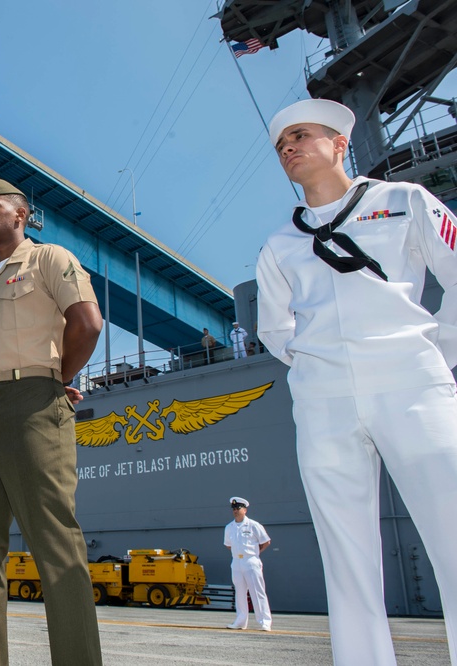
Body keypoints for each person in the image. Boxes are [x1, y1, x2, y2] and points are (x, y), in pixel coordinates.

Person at [257, 97, 457, 665]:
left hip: (413, 382)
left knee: (454, 535)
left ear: (340, 142)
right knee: (346, 559)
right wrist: (323, 368)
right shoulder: (280, 243)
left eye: (300, 136)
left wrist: (434, 352)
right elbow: (275, 327)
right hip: (325, 401)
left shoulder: (405, 201)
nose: (288, 148)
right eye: (280, 145)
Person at [0, 173, 104, 666]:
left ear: (21, 215)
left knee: (54, 542)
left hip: (37, 403)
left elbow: (87, 323)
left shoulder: (49, 258)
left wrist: (51, 377)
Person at [223, 497, 272, 631]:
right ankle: (240, 621)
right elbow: (228, 545)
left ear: (245, 510)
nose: (235, 511)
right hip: (236, 562)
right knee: (239, 592)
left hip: (251, 560)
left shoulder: (254, 525)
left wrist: (254, 553)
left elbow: (266, 541)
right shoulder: (229, 527)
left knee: (257, 591)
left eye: (238, 508)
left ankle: (264, 621)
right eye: (233, 509)